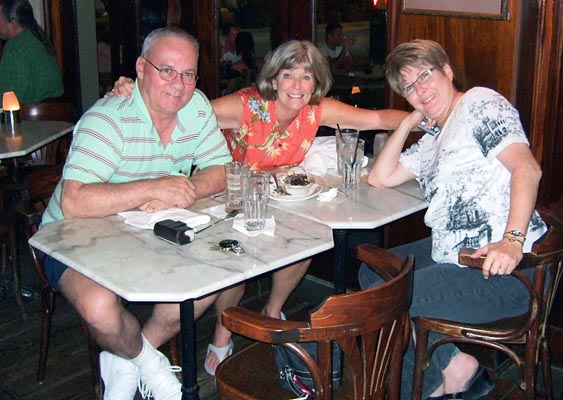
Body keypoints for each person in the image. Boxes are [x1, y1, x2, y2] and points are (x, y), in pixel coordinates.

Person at [111, 39, 409, 377]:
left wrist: (426, 118)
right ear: (274, 78)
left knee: (310, 239)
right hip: (225, 200)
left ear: (317, 82)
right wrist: (131, 90)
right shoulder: (247, 107)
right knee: (238, 265)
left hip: (277, 203)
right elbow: (177, 107)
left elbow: (378, 117)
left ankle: (272, 309)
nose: (297, 86)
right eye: (288, 75)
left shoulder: (316, 109)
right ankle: (222, 333)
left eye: (306, 77)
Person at [40, 27, 234, 400]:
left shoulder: (197, 108)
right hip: (69, 236)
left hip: (145, 232)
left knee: (210, 279)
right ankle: (151, 363)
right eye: (167, 70)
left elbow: (220, 169)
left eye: (188, 73)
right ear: (141, 69)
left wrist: (185, 188)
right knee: (99, 306)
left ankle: (127, 357)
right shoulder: (108, 119)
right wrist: (154, 187)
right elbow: (74, 201)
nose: (178, 84)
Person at [360, 39, 548, 399]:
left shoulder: (480, 103)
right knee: (372, 270)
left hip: (504, 272)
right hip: (457, 255)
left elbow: (527, 168)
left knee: (388, 298)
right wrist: (412, 120)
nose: (420, 89)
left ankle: (422, 386)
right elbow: (380, 177)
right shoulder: (436, 135)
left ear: (448, 72)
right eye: (409, 87)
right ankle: (452, 368)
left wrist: (512, 240)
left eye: (425, 75)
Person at [0, 0, 63, 103]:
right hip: (54, 116)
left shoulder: (14, 49)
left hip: (29, 117)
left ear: (13, 22)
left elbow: (6, 101)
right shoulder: (38, 39)